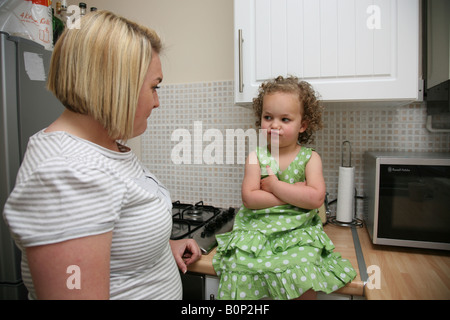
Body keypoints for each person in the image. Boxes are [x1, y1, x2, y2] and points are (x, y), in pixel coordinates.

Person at [3, 11, 201, 300]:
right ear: (116, 84)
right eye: (154, 87)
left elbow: (113, 238)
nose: (157, 102)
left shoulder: (104, 147)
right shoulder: (68, 172)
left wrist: (155, 247)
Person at [213, 76, 356, 300]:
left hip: (298, 235)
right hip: (256, 233)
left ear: (303, 125)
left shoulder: (311, 158)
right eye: (268, 117)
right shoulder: (256, 157)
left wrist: (273, 187)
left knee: (303, 273)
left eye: (285, 119)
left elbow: (315, 198)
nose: (274, 125)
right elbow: (250, 198)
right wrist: (290, 192)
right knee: (240, 266)